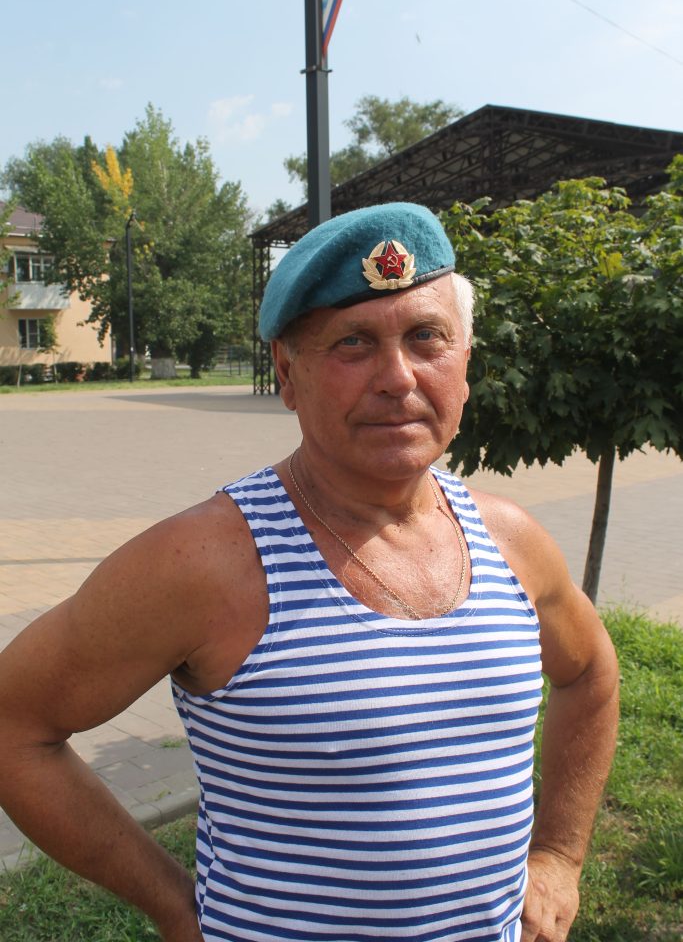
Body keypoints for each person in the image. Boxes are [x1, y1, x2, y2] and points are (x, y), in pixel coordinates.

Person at [0, 201, 618, 942]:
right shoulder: (204, 563)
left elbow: (589, 672)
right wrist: (173, 907)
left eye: (426, 337)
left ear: (465, 363)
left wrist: (558, 855)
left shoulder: (509, 539)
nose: (397, 378)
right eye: (353, 343)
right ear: (287, 374)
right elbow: (14, 724)